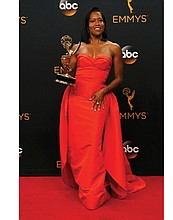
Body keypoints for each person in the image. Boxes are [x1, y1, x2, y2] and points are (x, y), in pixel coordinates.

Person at [59, 7, 146, 210]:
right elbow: (70, 73)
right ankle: (84, 182)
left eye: (100, 20)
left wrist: (103, 91)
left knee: (93, 146)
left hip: (99, 100)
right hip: (77, 100)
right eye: (92, 21)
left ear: (104, 24)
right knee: (79, 146)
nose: (97, 23)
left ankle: (94, 190)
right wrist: (65, 64)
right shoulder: (77, 47)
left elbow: (119, 79)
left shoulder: (113, 48)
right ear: (87, 25)